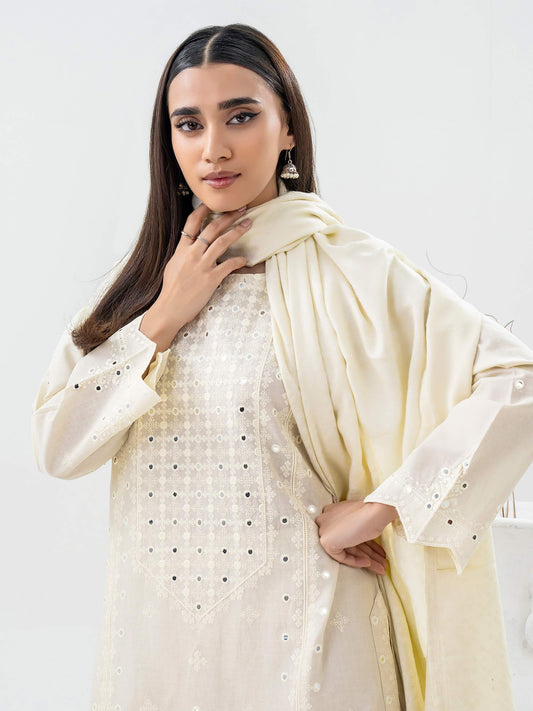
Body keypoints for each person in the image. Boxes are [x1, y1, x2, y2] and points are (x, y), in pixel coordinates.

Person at [31, 23, 533, 711]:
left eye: (240, 116)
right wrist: (162, 319)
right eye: (189, 124)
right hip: (156, 653)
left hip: (316, 649)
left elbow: (517, 382)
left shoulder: (352, 273)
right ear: (168, 141)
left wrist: (387, 506)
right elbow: (60, 447)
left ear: (287, 126)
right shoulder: (141, 294)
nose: (214, 148)